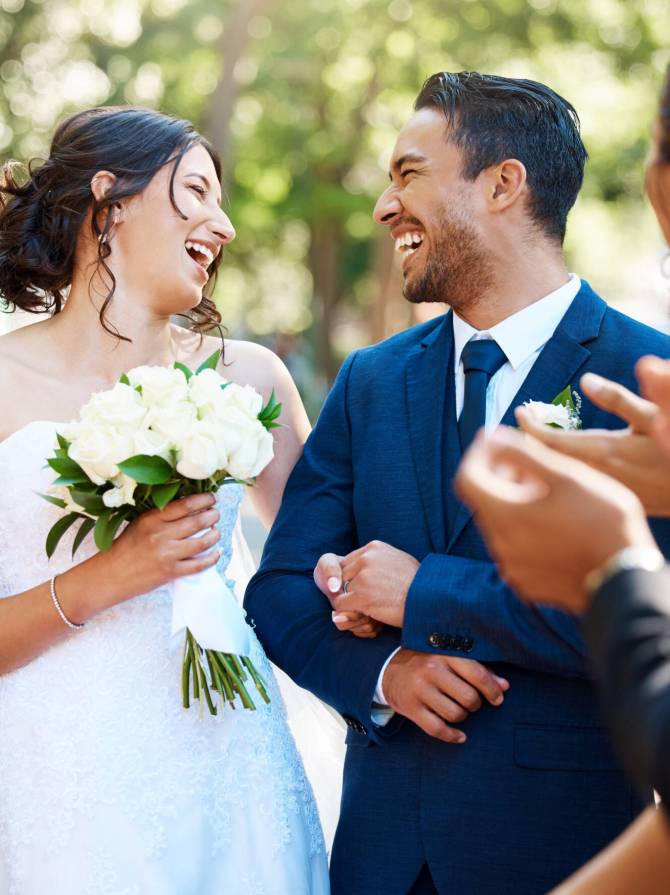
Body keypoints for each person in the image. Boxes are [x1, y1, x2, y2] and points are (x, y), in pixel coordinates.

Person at [245, 70, 670, 895]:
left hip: (571, 852)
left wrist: (426, 593)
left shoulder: (647, 376)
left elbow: (645, 611)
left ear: (504, 183)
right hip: (382, 859)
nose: (382, 207)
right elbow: (281, 589)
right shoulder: (371, 380)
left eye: (408, 174)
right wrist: (382, 676)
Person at [0, 106, 329, 894]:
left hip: (233, 770)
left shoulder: (249, 378)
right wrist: (110, 576)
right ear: (109, 202)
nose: (224, 225)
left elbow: (329, 571)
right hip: (60, 787)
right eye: (198, 193)